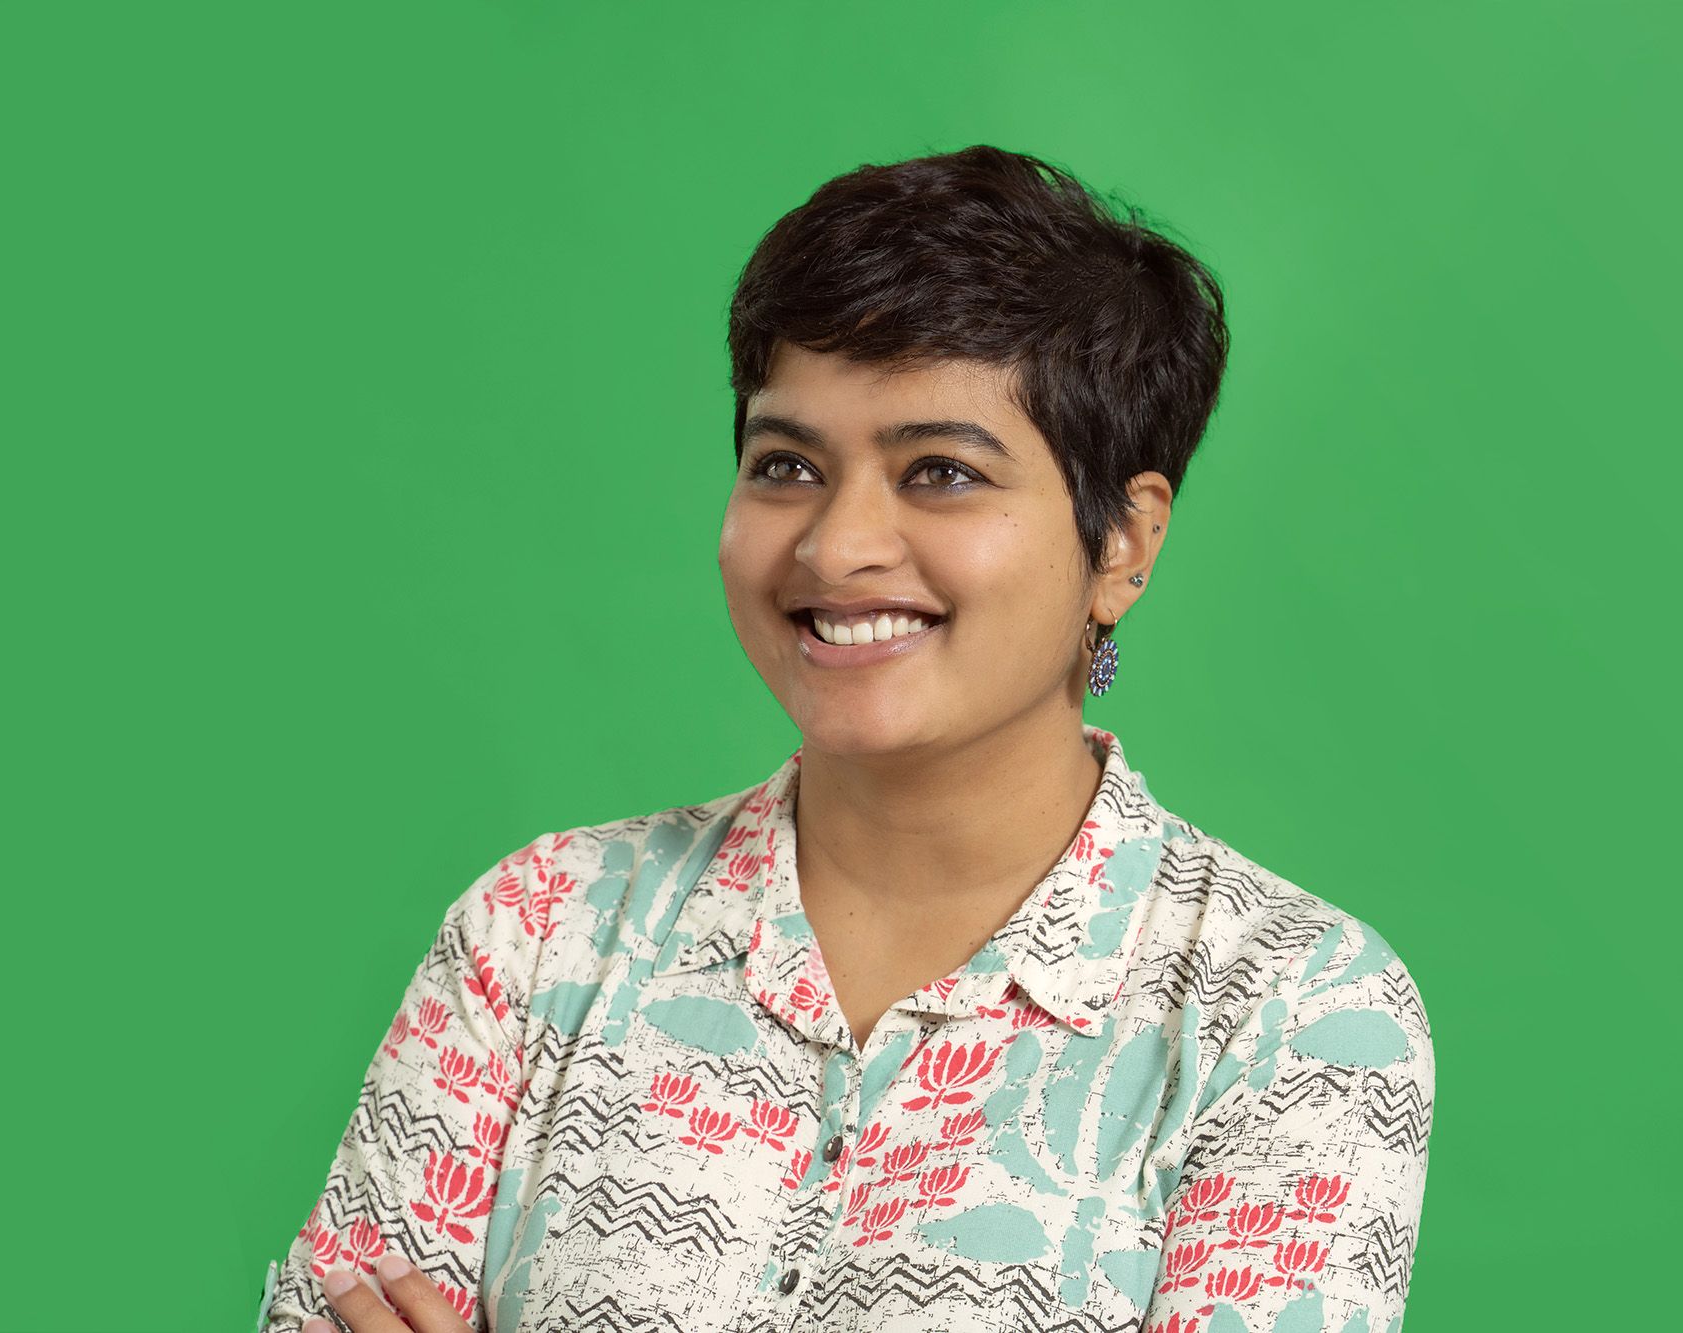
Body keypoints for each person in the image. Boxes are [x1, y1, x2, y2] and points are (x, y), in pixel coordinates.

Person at [260, 144, 1434, 1333]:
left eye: (938, 472)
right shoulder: (539, 933)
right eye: (785, 466)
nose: (833, 546)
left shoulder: (1290, 1012)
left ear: (1123, 542)